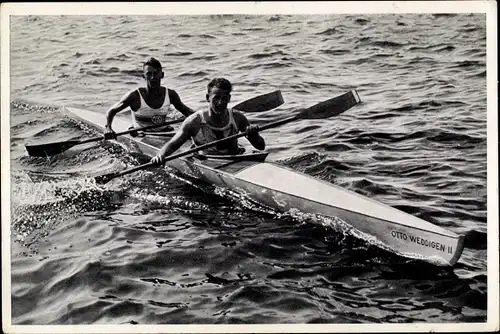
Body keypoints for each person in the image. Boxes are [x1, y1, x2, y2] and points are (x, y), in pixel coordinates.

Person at [151, 77, 264, 165]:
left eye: (224, 99)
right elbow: (172, 145)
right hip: (206, 161)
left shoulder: (238, 118)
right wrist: (160, 156)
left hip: (235, 158)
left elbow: (260, 147)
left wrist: (254, 135)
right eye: (216, 98)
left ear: (229, 99)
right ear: (207, 98)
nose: (220, 103)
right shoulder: (194, 121)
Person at [103, 57, 194, 139]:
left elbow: (187, 112)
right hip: (141, 134)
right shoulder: (135, 96)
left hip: (165, 133)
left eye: (156, 73)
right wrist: (108, 127)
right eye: (149, 74)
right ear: (144, 76)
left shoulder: (171, 94)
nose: (153, 77)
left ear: (162, 75)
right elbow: (111, 111)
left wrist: (204, 116)